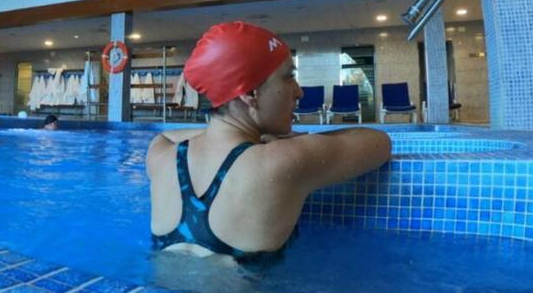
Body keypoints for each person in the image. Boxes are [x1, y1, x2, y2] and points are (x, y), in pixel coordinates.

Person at [147, 22, 391, 260]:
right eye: (288, 77)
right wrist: (286, 142)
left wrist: (231, 135)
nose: (299, 92)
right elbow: (380, 142)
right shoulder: (282, 159)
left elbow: (165, 134)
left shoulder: (161, 155)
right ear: (251, 93)